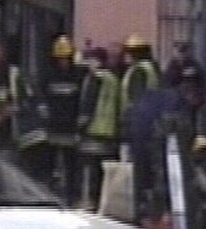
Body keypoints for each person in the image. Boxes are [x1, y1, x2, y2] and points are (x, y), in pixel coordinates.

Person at [123, 65, 206, 229]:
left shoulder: (160, 98)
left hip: (140, 138)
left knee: (144, 185)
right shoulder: (177, 107)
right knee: (168, 187)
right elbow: (172, 154)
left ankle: (146, 224)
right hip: (154, 146)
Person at [38, 35, 85, 202]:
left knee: (71, 163)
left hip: (70, 127)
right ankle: (49, 192)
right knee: (49, 162)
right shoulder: (48, 75)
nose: (63, 62)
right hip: (52, 126)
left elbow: (82, 99)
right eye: (60, 59)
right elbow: (41, 97)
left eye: (66, 59)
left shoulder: (78, 75)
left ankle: (71, 195)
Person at [76, 47, 120, 210]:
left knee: (91, 169)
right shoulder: (112, 78)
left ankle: (90, 201)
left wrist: (81, 126)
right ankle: (104, 202)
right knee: (105, 171)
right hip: (109, 130)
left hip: (94, 130)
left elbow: (88, 104)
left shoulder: (94, 78)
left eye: (89, 59)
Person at [119, 33, 160, 118]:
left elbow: (137, 96)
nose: (124, 56)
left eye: (127, 52)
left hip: (137, 117)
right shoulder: (150, 67)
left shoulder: (138, 70)